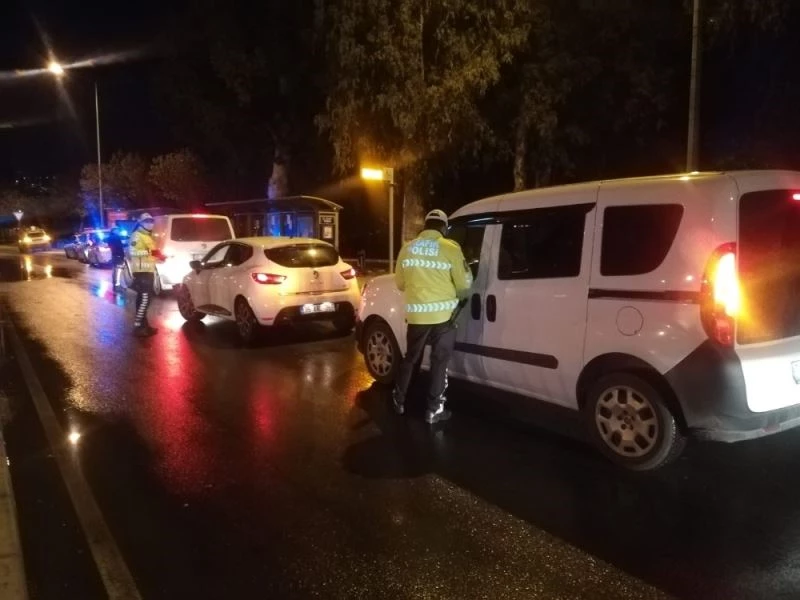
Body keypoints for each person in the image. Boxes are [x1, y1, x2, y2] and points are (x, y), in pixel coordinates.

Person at [392, 209, 472, 424]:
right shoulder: (450, 248)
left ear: (425, 226)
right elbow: (464, 284)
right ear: (444, 227)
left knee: (411, 358)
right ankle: (433, 411)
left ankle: (399, 400)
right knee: (439, 363)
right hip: (444, 318)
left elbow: (400, 283)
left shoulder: (407, 248)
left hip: (417, 317)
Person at [127, 213, 158, 337]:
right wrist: (150, 252)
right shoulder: (137, 235)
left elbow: (150, 253)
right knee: (145, 300)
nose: (150, 223)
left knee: (143, 299)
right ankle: (138, 326)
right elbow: (133, 252)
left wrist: (159, 255)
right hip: (142, 272)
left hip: (148, 271)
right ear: (140, 222)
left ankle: (145, 326)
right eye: (147, 221)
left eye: (151, 221)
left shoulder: (147, 236)